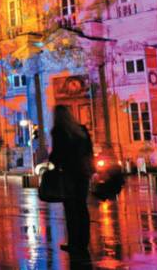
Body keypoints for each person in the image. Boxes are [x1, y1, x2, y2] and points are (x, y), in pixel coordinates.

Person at [49, 105, 93, 261]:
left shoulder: (59, 131)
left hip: (69, 174)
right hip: (83, 174)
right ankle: (83, 242)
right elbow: (89, 151)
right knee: (82, 207)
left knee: (70, 209)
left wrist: (52, 162)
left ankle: (74, 242)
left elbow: (57, 154)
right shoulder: (82, 130)